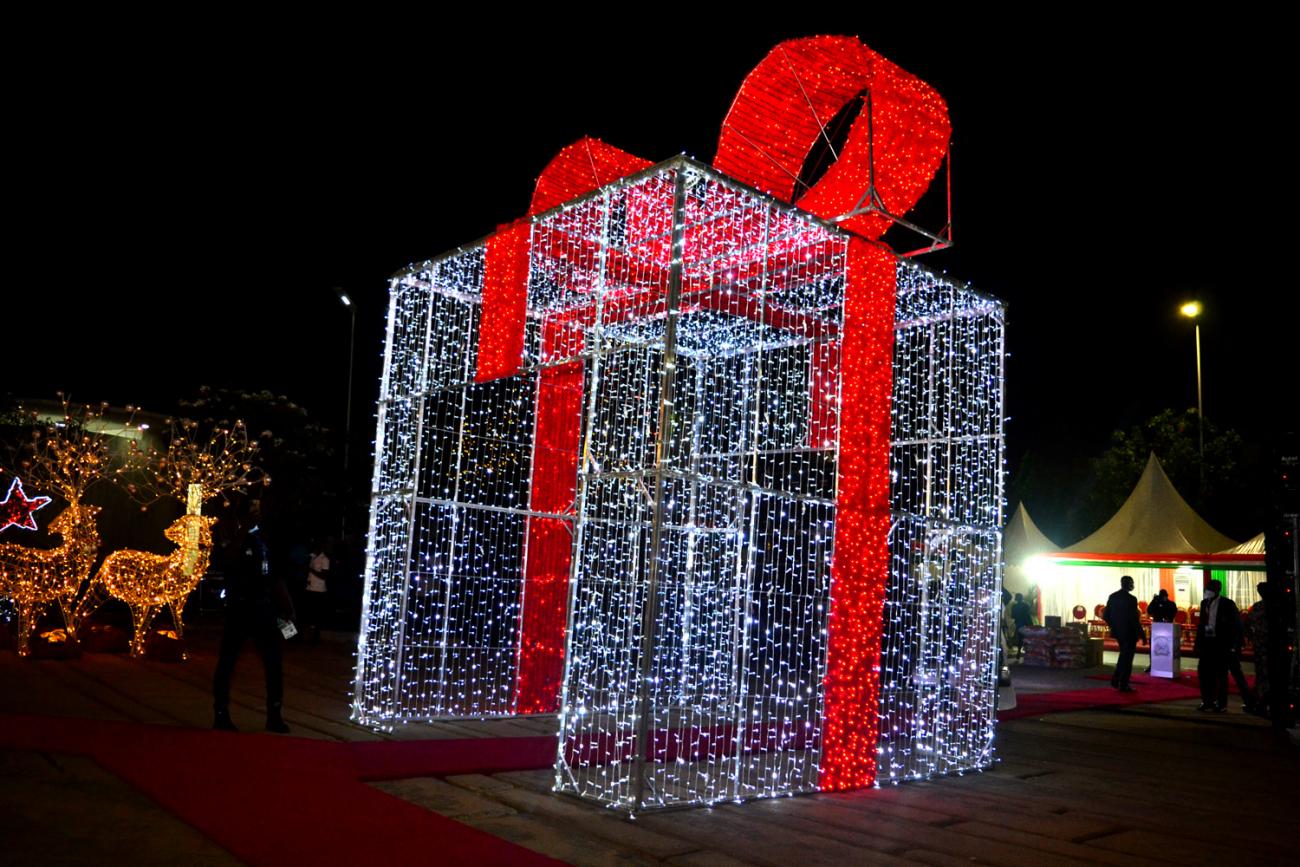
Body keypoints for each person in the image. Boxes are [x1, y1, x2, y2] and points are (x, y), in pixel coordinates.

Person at [213, 500, 296, 733]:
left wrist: (287, 607)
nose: (256, 518)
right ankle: (221, 713)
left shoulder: (266, 542)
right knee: (227, 662)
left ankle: (274, 714)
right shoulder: (232, 536)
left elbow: (275, 576)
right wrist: (242, 530)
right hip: (239, 608)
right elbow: (228, 559)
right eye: (252, 513)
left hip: (263, 608)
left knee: (274, 663)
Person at [1195, 578, 1242, 713]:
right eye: (1207, 590)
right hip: (1207, 643)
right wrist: (1198, 643)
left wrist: (1233, 645)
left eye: (1210, 590)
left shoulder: (1227, 604)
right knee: (1204, 673)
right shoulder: (1204, 603)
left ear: (1217, 591)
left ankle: (1221, 704)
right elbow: (1202, 625)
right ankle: (1207, 701)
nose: (1207, 592)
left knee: (1221, 675)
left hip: (1221, 644)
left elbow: (1236, 625)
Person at [1103, 575, 1144, 691]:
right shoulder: (1131, 599)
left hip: (1118, 632)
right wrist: (1142, 634)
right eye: (1132, 583)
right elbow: (1134, 619)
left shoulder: (1113, 596)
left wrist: (1114, 625)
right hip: (1129, 633)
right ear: (1129, 584)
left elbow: (1106, 615)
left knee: (1123, 656)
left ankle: (1116, 679)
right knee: (1127, 658)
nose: (1133, 585)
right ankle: (1123, 683)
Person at [303, 540, 330, 644]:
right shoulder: (313, 557)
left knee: (317, 615)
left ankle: (316, 637)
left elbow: (324, 576)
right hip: (310, 588)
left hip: (319, 590)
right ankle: (311, 636)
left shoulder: (325, 559)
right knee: (311, 613)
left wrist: (310, 570)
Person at [1010, 593, 1033, 659]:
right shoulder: (1026, 605)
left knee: (1020, 638)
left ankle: (1019, 651)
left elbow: (1013, 616)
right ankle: (1027, 653)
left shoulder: (1014, 606)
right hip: (1026, 624)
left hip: (1019, 624)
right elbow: (1028, 615)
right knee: (1027, 638)